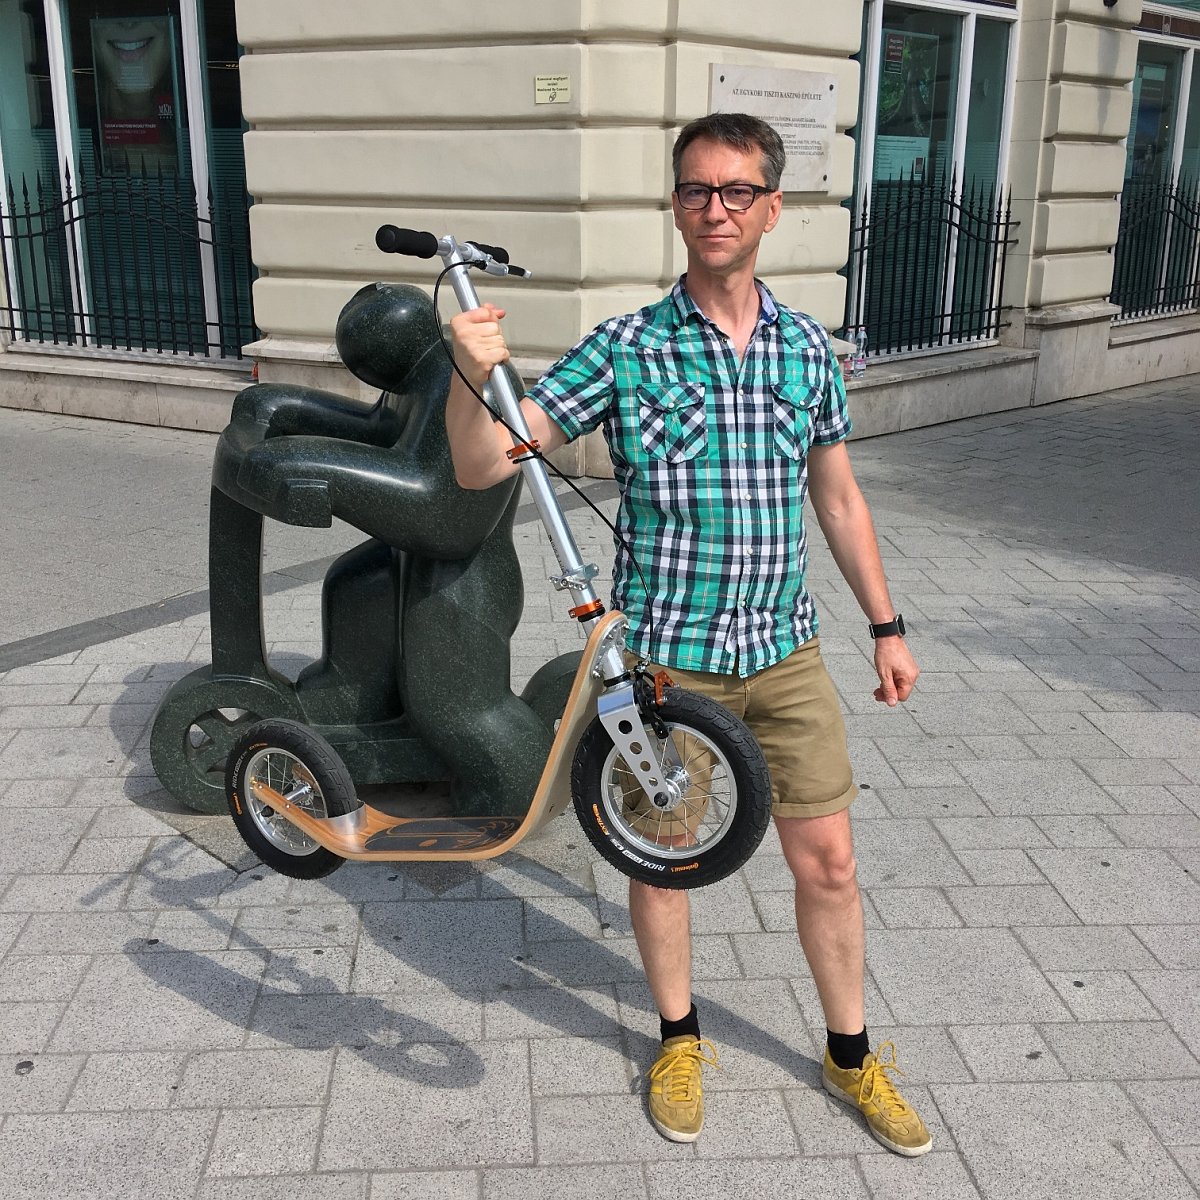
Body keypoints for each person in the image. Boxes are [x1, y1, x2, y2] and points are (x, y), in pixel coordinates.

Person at [445, 112, 932, 1158]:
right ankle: (677, 1038)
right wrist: (465, 370)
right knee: (663, 858)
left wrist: (886, 626)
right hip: (667, 666)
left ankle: (850, 1055)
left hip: (786, 653)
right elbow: (484, 464)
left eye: (737, 190)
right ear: (675, 205)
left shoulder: (808, 349)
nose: (716, 208)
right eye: (696, 190)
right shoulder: (626, 347)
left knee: (831, 862)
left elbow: (839, 499)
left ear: (772, 207)